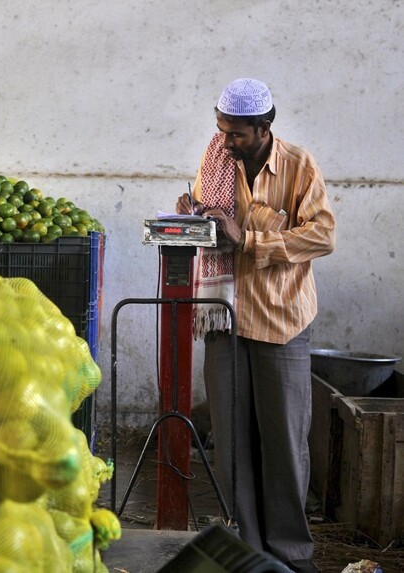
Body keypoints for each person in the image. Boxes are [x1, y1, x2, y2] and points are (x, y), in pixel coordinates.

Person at [175, 78, 335, 573]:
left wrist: (247, 240)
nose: (226, 141)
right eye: (221, 129)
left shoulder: (299, 166)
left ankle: (291, 555)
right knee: (233, 444)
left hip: (281, 320)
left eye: (237, 134)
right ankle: (249, 550)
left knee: (284, 443)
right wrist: (192, 216)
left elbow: (322, 235)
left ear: (263, 128)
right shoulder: (215, 160)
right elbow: (210, 218)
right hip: (226, 319)